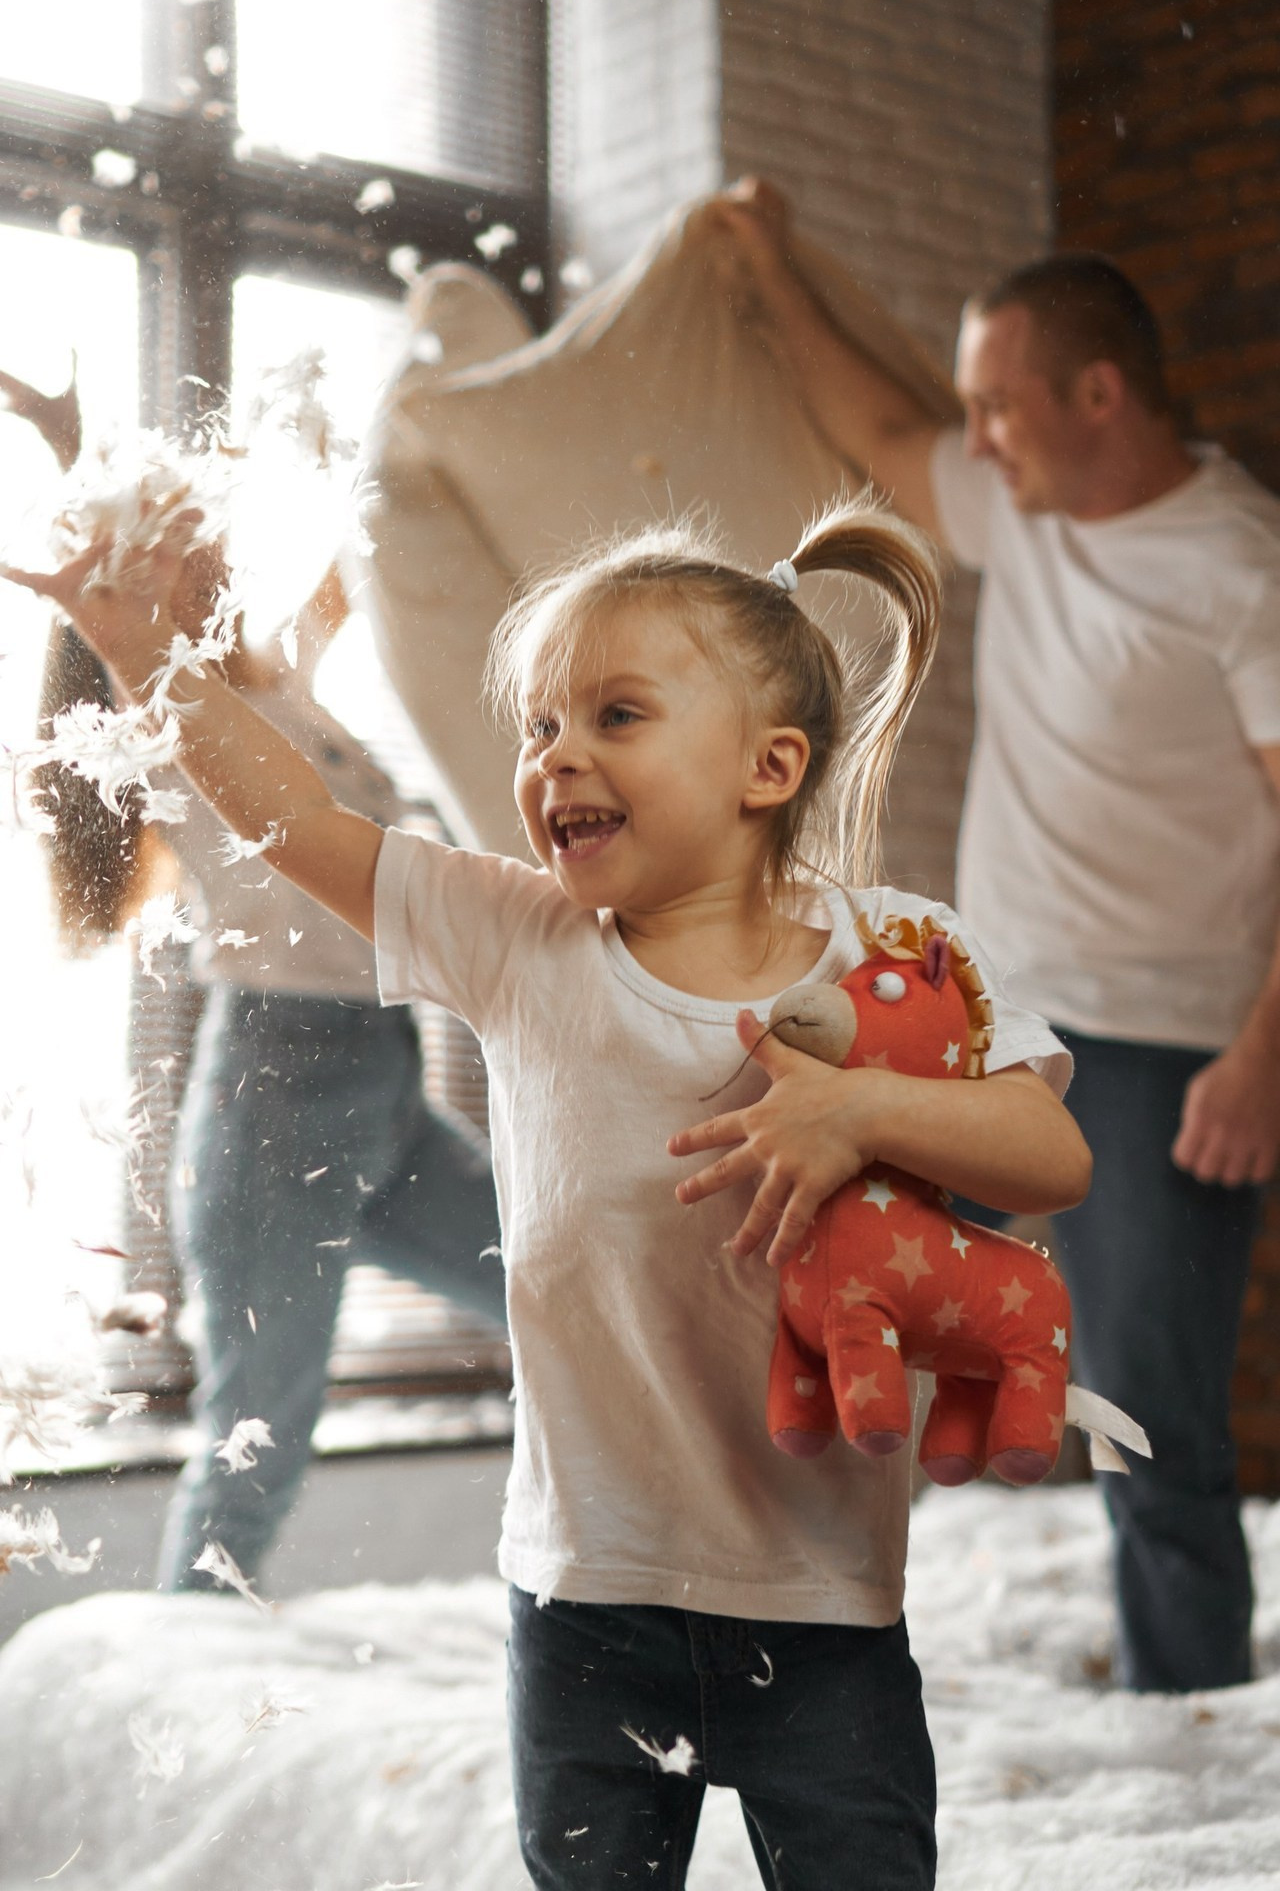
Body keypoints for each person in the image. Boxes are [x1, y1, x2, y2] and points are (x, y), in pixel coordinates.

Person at [6, 485, 1089, 1889]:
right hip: (584, 1602)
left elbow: (1050, 1148)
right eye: (541, 727)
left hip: (823, 1603)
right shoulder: (519, 940)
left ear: (768, 768)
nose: (556, 757)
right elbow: (304, 826)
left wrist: (860, 1110)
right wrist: (146, 660)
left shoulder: (897, 948)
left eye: (614, 717)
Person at [714, 176, 1280, 1694]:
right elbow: (879, 431)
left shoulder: (1243, 567)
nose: (974, 440)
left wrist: (1262, 1057)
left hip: (1169, 1048)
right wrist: (775, 249)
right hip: (980, 1022)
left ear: (1100, 393)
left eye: (1000, 404)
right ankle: (802, 1662)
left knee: (1148, 1413)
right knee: (842, 1316)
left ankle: (1196, 1738)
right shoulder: (1022, 509)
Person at [4, 365, 504, 1593]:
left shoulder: (272, 677)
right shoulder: (167, 713)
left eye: (199, 523)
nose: (200, 536)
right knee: (259, 1437)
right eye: (169, 538)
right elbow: (118, 583)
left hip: (380, 1081)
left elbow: (356, 555)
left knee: (549, 1285)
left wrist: (403, 436)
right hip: (277, 1101)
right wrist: (73, 460)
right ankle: (183, 1659)